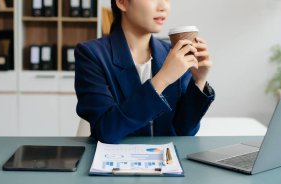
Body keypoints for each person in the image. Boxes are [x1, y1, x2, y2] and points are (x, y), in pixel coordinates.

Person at [74, 0, 215, 144]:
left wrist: (199, 80)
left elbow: (183, 131)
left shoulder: (173, 54)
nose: (163, 7)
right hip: (117, 161)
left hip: (167, 161)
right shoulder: (91, 54)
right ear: (122, 3)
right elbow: (106, 131)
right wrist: (162, 79)